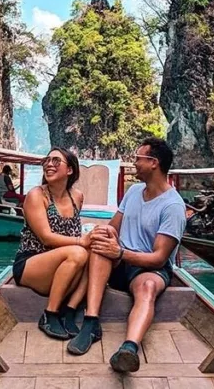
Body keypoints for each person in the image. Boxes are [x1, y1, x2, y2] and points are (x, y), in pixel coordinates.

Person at [66, 137, 185, 374]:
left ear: (153, 163)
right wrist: (105, 233)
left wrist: (120, 252)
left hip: (148, 268)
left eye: (138, 159)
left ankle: (129, 348)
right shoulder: (133, 192)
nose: (134, 164)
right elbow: (114, 226)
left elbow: (159, 258)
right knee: (101, 244)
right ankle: (91, 323)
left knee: (148, 287)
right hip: (120, 261)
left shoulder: (172, 206)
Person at [12, 148, 91, 340]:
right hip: (32, 262)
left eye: (56, 161)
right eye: (47, 161)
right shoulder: (36, 196)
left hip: (63, 264)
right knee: (79, 253)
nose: (49, 164)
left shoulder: (77, 197)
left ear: (70, 170)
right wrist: (81, 242)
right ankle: (51, 314)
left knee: (96, 252)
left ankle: (69, 311)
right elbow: (46, 238)